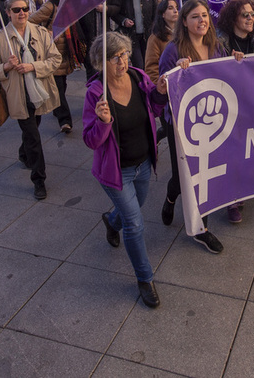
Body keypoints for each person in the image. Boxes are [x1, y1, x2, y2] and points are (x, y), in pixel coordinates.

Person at [83, 32, 169, 309]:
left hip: (144, 163)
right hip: (116, 172)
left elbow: (154, 109)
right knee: (135, 223)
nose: (122, 61)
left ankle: (111, 221)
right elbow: (91, 140)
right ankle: (145, 279)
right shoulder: (95, 93)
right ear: (101, 62)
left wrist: (160, 93)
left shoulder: (138, 76)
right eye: (115, 57)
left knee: (136, 206)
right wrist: (103, 121)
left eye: (125, 54)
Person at [156, 0, 227, 253]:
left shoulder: (216, 46)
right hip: (181, 125)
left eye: (205, 15)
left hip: (212, 121)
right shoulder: (173, 51)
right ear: (184, 22)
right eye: (195, 16)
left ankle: (201, 230)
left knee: (202, 176)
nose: (202, 21)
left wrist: (237, 60)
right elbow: (162, 89)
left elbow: (227, 76)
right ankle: (170, 196)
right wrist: (173, 74)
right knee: (180, 176)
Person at [0, 0, 61, 200]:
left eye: (25, 9)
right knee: (34, 138)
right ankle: (39, 180)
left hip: (38, 92)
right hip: (17, 96)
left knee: (32, 131)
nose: (22, 13)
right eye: (17, 10)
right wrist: (7, 66)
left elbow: (55, 59)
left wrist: (32, 67)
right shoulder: (0, 38)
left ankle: (22, 153)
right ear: (8, 13)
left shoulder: (41, 32)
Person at [215, 0, 254, 224]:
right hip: (229, 108)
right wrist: (229, 64)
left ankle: (241, 194)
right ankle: (233, 201)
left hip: (252, 105)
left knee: (248, 153)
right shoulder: (220, 42)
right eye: (245, 15)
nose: (251, 18)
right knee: (232, 155)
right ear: (233, 19)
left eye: (252, 14)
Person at [31, 0, 86, 134]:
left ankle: (56, 108)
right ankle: (65, 121)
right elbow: (30, 21)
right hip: (52, 53)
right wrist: (44, 33)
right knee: (58, 89)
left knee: (62, 83)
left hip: (66, 52)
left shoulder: (67, 5)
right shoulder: (50, 6)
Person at [108, 0, 158, 69]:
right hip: (131, 36)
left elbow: (155, 13)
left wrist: (154, 29)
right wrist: (124, 20)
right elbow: (115, 13)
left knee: (148, 64)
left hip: (147, 36)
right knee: (139, 65)